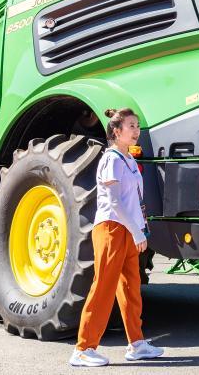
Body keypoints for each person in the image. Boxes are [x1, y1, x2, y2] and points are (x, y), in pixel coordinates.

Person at [70, 108, 163, 367]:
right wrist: (135, 230)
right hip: (111, 227)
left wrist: (140, 230)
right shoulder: (111, 158)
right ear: (116, 131)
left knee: (131, 287)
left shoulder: (129, 160)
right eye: (131, 126)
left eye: (137, 126)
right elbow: (113, 201)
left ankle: (137, 344)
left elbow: (134, 201)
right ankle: (83, 348)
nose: (136, 131)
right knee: (104, 287)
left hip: (127, 228)